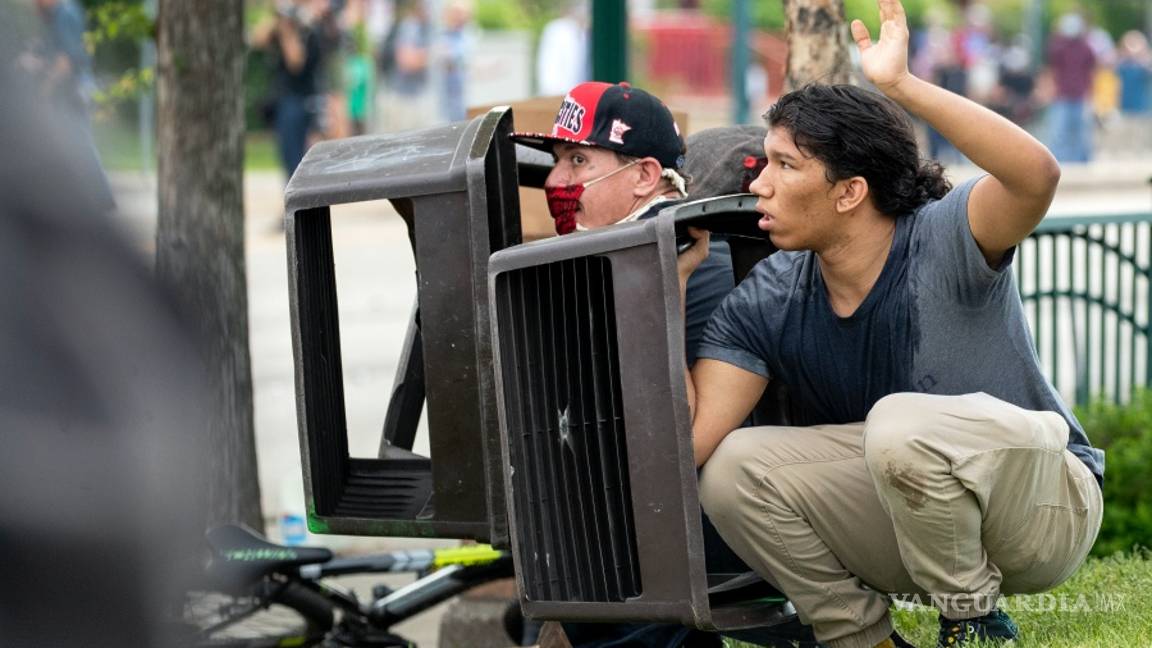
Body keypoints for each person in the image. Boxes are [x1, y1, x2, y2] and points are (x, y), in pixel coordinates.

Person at [678, 2, 1104, 648]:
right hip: (917, 526)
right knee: (736, 468)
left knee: (899, 424)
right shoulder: (767, 298)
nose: (760, 185)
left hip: (1044, 510)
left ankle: (972, 623)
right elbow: (690, 448)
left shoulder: (945, 236)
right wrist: (666, 285)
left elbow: (1035, 175)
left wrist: (903, 88)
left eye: (785, 165)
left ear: (849, 192)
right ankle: (863, 640)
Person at [253, 0, 327, 180]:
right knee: (288, 157)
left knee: (299, 160)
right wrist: (277, 19)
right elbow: (257, 40)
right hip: (284, 100)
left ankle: (301, 202)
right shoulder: (284, 21)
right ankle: (293, 198)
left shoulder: (309, 25)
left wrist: (287, 31)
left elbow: (296, 63)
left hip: (301, 101)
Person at [1044, 12, 1096, 162]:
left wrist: (1090, 93)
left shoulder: (1086, 48)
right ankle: (1057, 162)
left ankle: (1082, 163)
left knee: (1082, 133)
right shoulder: (1057, 46)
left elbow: (1091, 71)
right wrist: (1049, 89)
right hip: (1061, 95)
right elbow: (1051, 70)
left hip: (1080, 94)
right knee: (1058, 132)